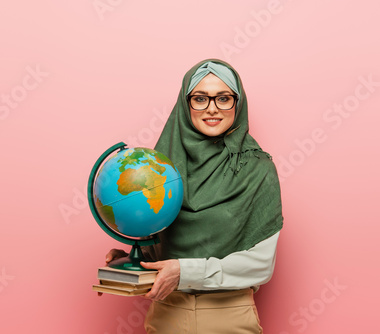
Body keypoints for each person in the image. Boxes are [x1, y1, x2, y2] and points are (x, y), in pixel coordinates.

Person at [105, 59, 283, 333]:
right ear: (185, 104)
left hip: (230, 318)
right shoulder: (162, 170)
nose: (212, 108)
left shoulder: (257, 169)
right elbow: (161, 247)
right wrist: (132, 261)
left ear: (238, 103)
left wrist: (185, 273)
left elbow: (261, 265)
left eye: (223, 98)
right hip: (166, 316)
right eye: (200, 98)